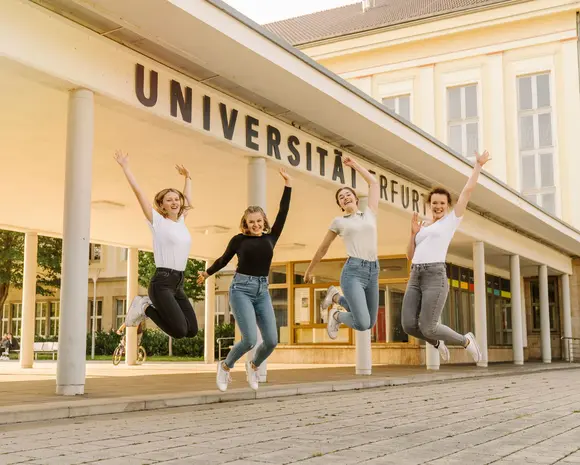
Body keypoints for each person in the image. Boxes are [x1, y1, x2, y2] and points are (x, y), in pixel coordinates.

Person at [198, 168, 292, 392]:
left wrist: (288, 185)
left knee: (271, 340)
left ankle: (253, 365)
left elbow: (283, 211)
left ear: (264, 221)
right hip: (241, 289)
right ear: (245, 223)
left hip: (262, 289)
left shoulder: (271, 237)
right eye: (251, 222)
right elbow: (224, 259)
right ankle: (226, 366)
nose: (256, 225)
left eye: (259, 221)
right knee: (250, 339)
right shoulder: (238, 240)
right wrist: (207, 272)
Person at [402, 150, 490, 364]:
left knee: (429, 326)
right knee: (408, 325)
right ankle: (436, 342)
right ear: (429, 204)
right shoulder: (423, 226)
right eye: (434, 203)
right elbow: (409, 255)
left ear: (448, 205)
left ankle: (466, 341)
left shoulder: (451, 220)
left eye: (442, 203)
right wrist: (413, 233)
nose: (438, 206)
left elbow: (467, 191)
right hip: (415, 276)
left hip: (435, 276)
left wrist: (477, 166)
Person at [114, 150, 198, 340]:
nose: (174, 202)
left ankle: (145, 306)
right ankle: (144, 307)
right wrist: (126, 168)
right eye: (169, 200)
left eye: (176, 199)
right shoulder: (158, 221)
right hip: (162, 282)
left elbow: (188, 200)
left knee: (191, 330)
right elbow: (139, 194)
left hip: (178, 282)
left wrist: (188, 178)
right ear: (162, 205)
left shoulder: (182, 222)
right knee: (179, 331)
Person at [304, 156, 379, 340]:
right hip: (353, 272)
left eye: (348, 194)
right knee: (361, 323)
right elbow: (323, 248)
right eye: (341, 198)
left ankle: (335, 297)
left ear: (355, 197)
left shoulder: (370, 213)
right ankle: (336, 315)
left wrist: (355, 165)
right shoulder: (339, 222)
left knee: (369, 323)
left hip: (373, 270)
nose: (345, 198)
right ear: (340, 205)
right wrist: (309, 271)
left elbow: (373, 183)